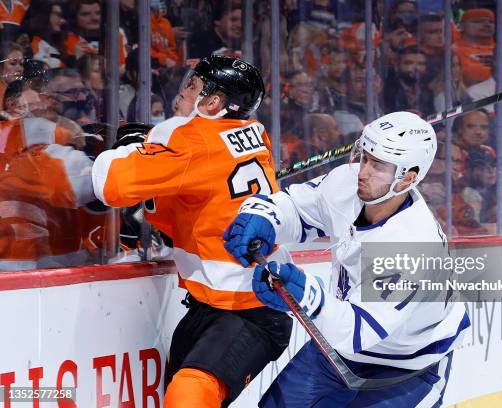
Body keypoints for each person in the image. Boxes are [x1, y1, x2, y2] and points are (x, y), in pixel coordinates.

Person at [224, 111, 470, 407]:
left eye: (378, 165)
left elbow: (360, 331)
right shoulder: (348, 182)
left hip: (409, 366)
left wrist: (306, 295)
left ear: (408, 178)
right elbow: (300, 209)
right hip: (336, 351)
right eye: (365, 157)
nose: (363, 172)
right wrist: (266, 217)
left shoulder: (413, 244)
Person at [91, 55, 292, 407]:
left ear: (213, 103)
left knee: (188, 396)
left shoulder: (187, 138)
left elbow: (109, 185)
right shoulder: (255, 132)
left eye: (192, 86)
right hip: (215, 304)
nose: (182, 93)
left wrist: (130, 146)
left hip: (249, 310)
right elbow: (180, 207)